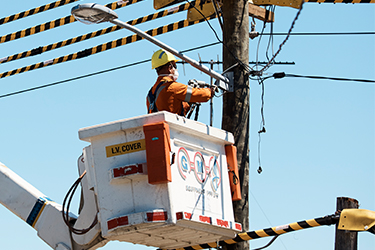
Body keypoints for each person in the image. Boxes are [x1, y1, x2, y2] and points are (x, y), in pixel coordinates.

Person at [147, 49, 215, 116]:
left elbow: (174, 108)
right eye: (175, 66)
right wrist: (211, 90)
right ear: (170, 68)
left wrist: (188, 103)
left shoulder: (151, 93)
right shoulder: (173, 87)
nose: (176, 70)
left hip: (158, 126)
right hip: (170, 126)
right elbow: (203, 95)